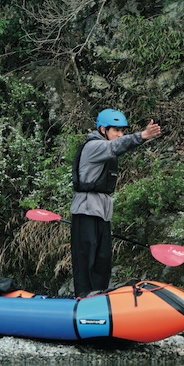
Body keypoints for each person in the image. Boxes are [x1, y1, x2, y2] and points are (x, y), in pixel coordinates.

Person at [70, 108, 161, 297]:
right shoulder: (94, 146)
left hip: (101, 211)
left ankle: (100, 298)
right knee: (86, 259)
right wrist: (142, 135)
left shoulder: (105, 146)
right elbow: (116, 147)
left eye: (122, 131)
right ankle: (82, 298)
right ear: (103, 130)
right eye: (116, 130)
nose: (120, 135)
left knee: (103, 260)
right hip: (86, 210)